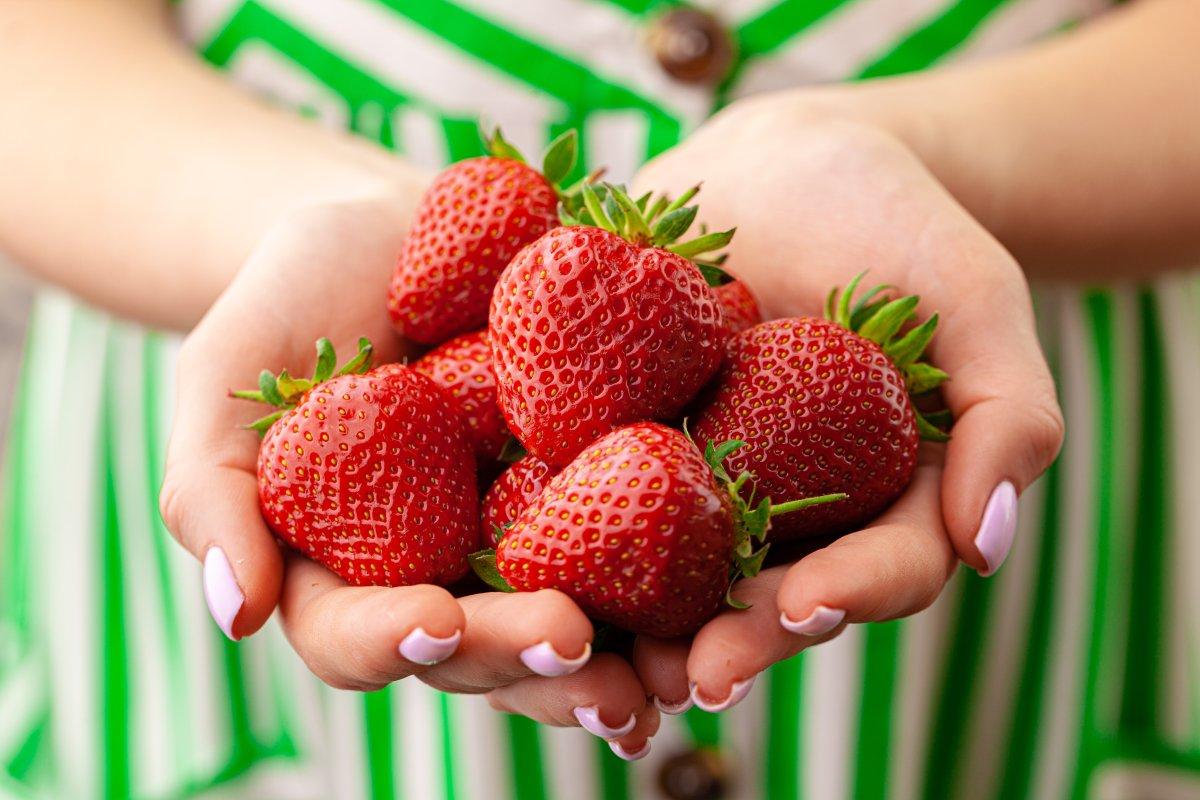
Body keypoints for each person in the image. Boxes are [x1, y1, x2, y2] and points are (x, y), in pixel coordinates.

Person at [0, 0, 1196, 798]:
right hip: (201, 199)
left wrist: (937, 146)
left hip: (1017, 229)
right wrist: (296, 221)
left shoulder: (638, 338)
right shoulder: (428, 364)